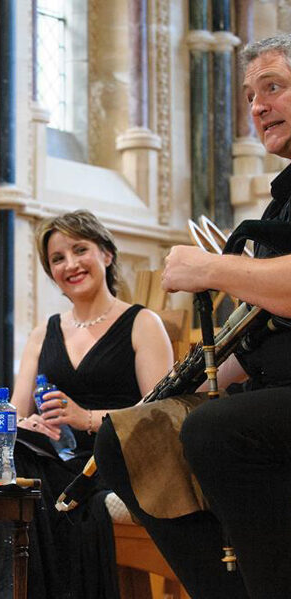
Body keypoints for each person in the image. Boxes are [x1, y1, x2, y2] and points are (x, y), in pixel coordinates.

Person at [94, 34, 291, 599]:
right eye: (250, 96)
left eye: (273, 87)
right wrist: (176, 389)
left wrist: (212, 269)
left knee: (215, 430)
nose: (257, 106)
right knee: (125, 439)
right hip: (275, 387)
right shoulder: (281, 201)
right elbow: (261, 330)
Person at [0, 210, 173, 599]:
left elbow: (161, 416)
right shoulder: (45, 332)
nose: (70, 264)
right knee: (9, 472)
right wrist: (30, 426)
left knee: (26, 486)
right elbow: (18, 413)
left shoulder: (143, 323)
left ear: (106, 254)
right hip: (53, 458)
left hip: (114, 461)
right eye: (58, 258)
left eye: (80, 249)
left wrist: (86, 418)